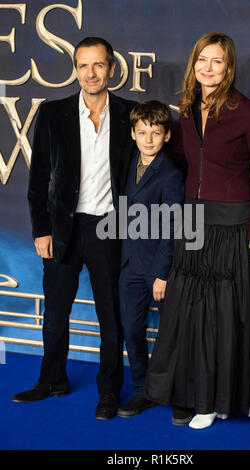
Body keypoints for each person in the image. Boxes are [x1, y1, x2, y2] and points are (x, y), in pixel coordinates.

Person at [144, 32, 250, 429]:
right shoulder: (187, 108)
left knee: (230, 316)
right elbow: (189, 158)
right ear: (193, 64)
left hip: (234, 225)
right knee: (196, 316)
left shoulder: (249, 113)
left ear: (229, 67)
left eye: (217, 61)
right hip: (194, 224)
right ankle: (203, 396)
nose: (208, 68)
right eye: (202, 60)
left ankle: (240, 395)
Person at [12, 37, 137, 420]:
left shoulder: (131, 116)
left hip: (109, 231)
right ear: (76, 69)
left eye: (98, 65)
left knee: (110, 317)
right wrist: (41, 230)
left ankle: (109, 393)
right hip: (64, 230)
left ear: (112, 69)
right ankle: (52, 380)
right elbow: (38, 181)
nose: (90, 73)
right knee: (55, 313)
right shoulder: (53, 114)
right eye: (83, 65)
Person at [117, 101, 184, 418]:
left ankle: (180, 392)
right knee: (131, 330)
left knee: (173, 333)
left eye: (155, 133)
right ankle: (143, 390)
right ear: (133, 133)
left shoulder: (170, 174)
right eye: (142, 132)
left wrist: (162, 274)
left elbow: (174, 228)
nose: (148, 139)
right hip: (129, 265)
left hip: (158, 269)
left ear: (166, 136)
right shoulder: (128, 162)